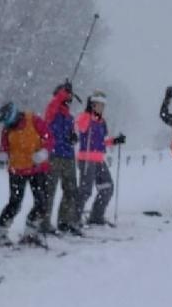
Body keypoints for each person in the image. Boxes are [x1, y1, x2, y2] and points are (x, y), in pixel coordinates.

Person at [0, 101, 53, 244]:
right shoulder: (7, 129)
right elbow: (4, 145)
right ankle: (0, 233)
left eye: (8, 120)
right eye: (5, 122)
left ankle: (30, 232)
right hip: (17, 170)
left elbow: (49, 137)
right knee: (15, 203)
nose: (7, 125)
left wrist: (44, 151)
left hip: (37, 168)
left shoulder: (33, 120)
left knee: (42, 202)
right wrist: (3, 155)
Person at [75, 92, 125, 226]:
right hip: (86, 159)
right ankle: (73, 218)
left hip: (98, 159)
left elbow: (102, 142)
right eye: (99, 105)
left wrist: (115, 140)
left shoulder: (102, 122)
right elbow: (80, 126)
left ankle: (96, 216)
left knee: (107, 187)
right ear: (92, 104)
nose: (102, 108)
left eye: (104, 105)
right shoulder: (85, 117)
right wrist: (88, 112)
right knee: (85, 190)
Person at [42, 80, 83, 233]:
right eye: (67, 95)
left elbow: (70, 134)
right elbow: (55, 103)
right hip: (53, 155)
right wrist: (63, 92)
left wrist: (73, 137)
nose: (69, 99)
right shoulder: (52, 109)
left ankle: (65, 221)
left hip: (68, 155)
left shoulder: (70, 117)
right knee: (49, 190)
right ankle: (43, 223)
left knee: (71, 189)